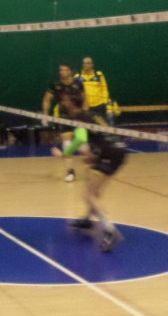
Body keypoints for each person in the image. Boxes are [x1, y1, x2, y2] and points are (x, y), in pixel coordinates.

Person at [51, 91, 127, 252]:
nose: (62, 104)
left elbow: (80, 139)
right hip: (117, 150)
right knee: (92, 185)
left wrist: (64, 154)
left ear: (72, 104)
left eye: (65, 101)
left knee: (90, 195)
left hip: (109, 153)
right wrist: (91, 156)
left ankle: (109, 230)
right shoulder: (93, 115)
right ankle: (88, 219)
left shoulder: (81, 118)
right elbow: (99, 137)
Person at [43, 63, 87, 182]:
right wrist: (45, 114)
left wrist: (85, 116)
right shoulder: (55, 85)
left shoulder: (79, 83)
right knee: (67, 143)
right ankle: (70, 171)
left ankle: (92, 168)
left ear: (71, 72)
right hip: (64, 118)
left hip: (78, 118)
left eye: (65, 70)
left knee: (83, 147)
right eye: (61, 70)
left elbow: (85, 100)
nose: (62, 72)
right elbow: (47, 99)